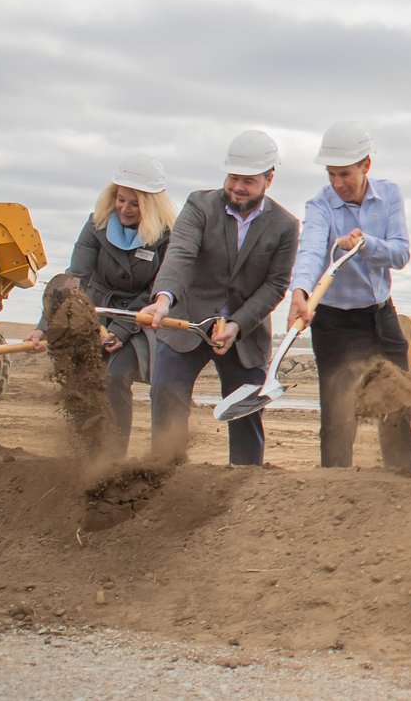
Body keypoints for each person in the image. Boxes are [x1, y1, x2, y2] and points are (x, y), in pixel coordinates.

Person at [138, 130, 299, 466]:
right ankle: (164, 473)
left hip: (244, 333)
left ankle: (244, 481)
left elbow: (275, 285)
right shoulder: (199, 205)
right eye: (233, 178)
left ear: (269, 180)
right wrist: (164, 298)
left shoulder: (285, 225)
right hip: (187, 321)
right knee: (166, 394)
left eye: (248, 181)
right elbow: (180, 254)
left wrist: (237, 325)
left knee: (245, 413)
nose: (237, 187)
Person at [286, 120, 411, 472]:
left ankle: (402, 480)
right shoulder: (320, 206)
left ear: (366, 165)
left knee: (396, 403)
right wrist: (300, 291)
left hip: (381, 316)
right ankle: (334, 485)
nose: (337, 183)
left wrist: (366, 244)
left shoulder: (390, 195)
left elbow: (401, 254)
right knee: (338, 415)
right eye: (331, 174)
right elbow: (312, 250)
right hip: (334, 323)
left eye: (345, 174)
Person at [28, 154, 178, 457]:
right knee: (83, 380)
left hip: (140, 319)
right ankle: (86, 452)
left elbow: (155, 289)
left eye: (134, 204)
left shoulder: (167, 236)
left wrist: (120, 330)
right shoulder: (96, 224)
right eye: (120, 199)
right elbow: (76, 277)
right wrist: (44, 327)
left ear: (151, 205)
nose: (125, 208)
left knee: (115, 377)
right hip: (95, 313)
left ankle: (113, 459)